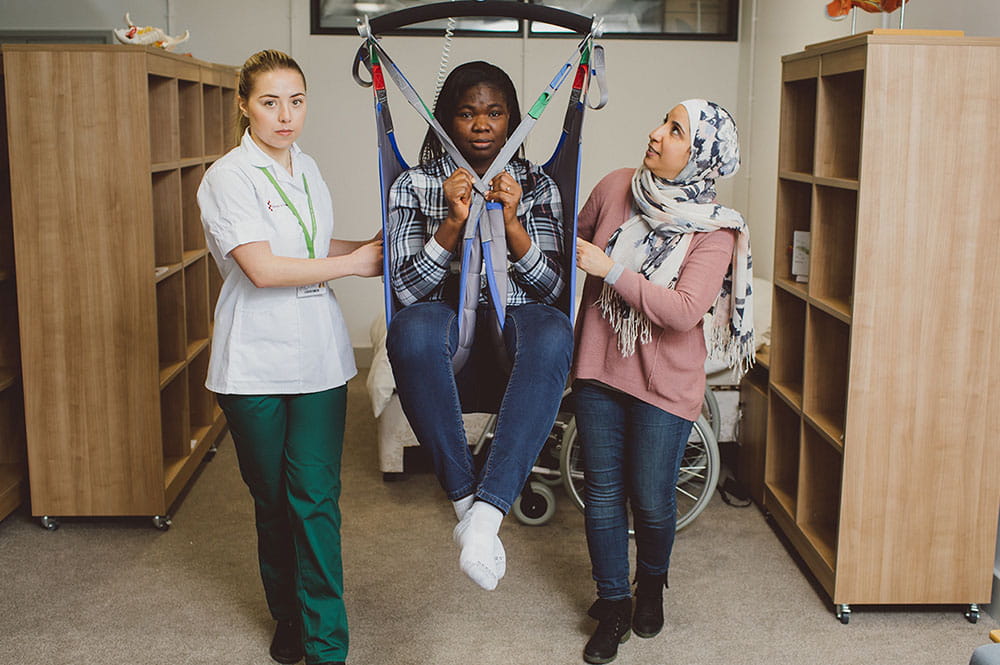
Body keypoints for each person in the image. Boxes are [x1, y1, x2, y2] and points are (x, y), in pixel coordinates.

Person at [197, 49, 382, 665]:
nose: (285, 115)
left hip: (320, 361)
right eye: (270, 102)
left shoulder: (308, 168)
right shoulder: (228, 176)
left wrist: (374, 247)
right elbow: (262, 266)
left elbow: (309, 244)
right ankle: (289, 616)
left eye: (296, 101)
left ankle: (329, 645)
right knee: (273, 500)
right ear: (245, 106)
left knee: (315, 499)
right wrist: (352, 265)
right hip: (252, 362)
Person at [572, 99, 754, 664]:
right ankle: (614, 603)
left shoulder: (716, 232)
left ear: (701, 157)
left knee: (650, 501)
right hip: (601, 366)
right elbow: (572, 240)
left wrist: (614, 271)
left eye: (676, 130)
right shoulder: (616, 186)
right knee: (602, 494)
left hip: (665, 385)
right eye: (663, 121)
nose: (656, 133)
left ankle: (650, 585)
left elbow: (681, 311)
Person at [384, 61, 573, 592]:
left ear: (512, 121)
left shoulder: (537, 186)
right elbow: (405, 291)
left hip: (514, 321)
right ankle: (468, 504)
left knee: (556, 332)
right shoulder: (413, 185)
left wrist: (511, 223)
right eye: (466, 114)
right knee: (410, 331)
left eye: (494, 113)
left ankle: (484, 519)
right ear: (446, 120)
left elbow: (552, 288)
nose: (481, 125)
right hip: (447, 323)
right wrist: (451, 222)